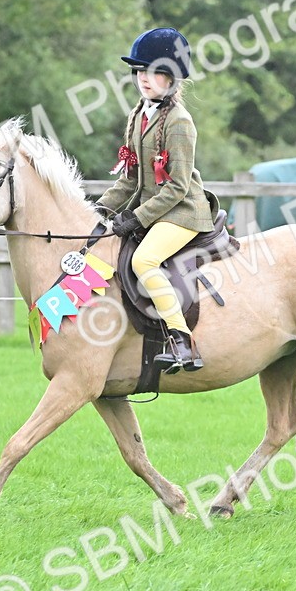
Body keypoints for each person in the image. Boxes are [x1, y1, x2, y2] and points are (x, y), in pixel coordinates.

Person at [96, 27, 215, 371]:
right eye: (140, 70)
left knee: (143, 261)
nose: (145, 79)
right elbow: (131, 177)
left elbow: (177, 186)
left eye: (155, 72)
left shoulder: (179, 122)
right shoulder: (138, 116)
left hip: (183, 212)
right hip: (156, 210)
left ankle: (181, 340)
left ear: (173, 79)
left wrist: (136, 218)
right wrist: (101, 207)